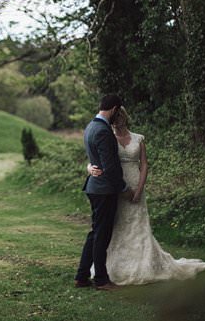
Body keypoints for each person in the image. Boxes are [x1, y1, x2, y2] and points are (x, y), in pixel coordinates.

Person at [87, 107, 205, 285]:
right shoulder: (107, 136)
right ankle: (112, 266)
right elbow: (97, 157)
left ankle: (142, 262)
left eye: (121, 116)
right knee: (116, 225)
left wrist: (140, 188)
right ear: (111, 118)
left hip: (134, 183)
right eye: (115, 116)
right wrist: (89, 167)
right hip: (115, 187)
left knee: (137, 223)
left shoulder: (138, 138)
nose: (118, 119)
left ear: (125, 117)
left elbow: (144, 164)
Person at [74, 94, 134, 291]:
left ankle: (82, 276)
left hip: (95, 187)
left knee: (95, 233)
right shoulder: (102, 131)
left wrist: (90, 166)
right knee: (102, 235)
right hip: (104, 190)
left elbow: (95, 159)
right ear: (115, 108)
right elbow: (110, 167)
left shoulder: (90, 127)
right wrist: (124, 188)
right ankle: (101, 280)